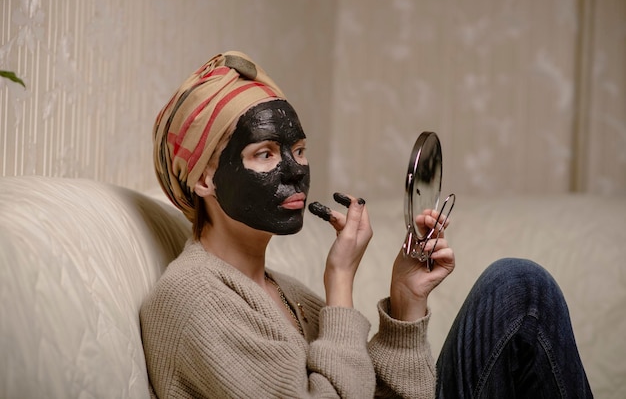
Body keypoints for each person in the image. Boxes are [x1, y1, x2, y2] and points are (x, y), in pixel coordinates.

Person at [140, 51, 593, 398]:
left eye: (298, 150)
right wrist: (341, 280)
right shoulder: (191, 297)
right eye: (265, 154)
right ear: (203, 177)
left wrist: (405, 301)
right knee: (518, 288)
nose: (295, 171)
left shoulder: (289, 294)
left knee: (520, 287)